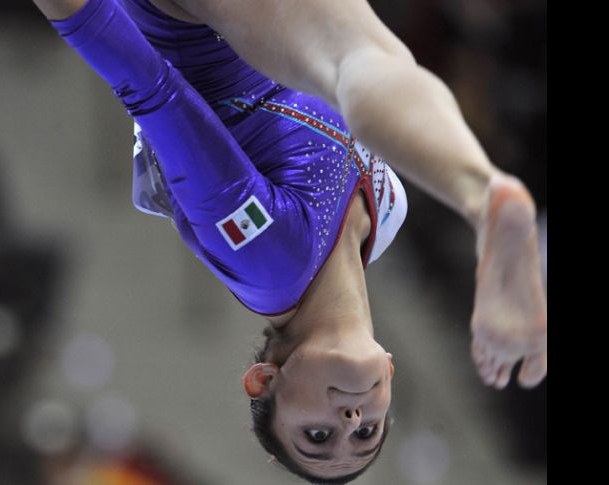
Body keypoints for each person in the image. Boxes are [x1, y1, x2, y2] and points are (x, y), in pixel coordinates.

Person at [29, 0, 547, 482]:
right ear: (389, 371)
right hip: (293, 31)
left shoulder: (266, 263)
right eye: (367, 432)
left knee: (356, 62)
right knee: (369, 60)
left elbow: (149, 87)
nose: (349, 417)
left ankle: (479, 196)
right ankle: (481, 195)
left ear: (263, 381)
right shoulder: (385, 222)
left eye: (317, 435)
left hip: (202, 21)